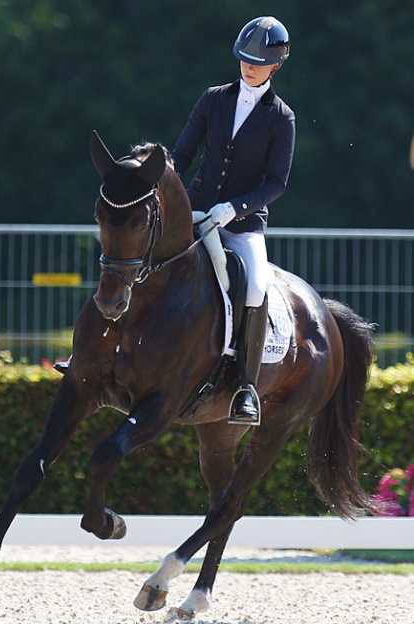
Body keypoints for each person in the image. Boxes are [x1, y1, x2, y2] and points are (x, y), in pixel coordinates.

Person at [172, 16, 295, 425]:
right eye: (245, 58)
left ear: (276, 65)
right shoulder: (213, 99)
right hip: (197, 207)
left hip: (242, 221)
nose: (249, 65)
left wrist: (236, 208)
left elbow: (276, 183)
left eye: (259, 61)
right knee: (139, 252)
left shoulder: (281, 118)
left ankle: (245, 386)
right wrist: (166, 185)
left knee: (256, 285)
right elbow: (182, 154)